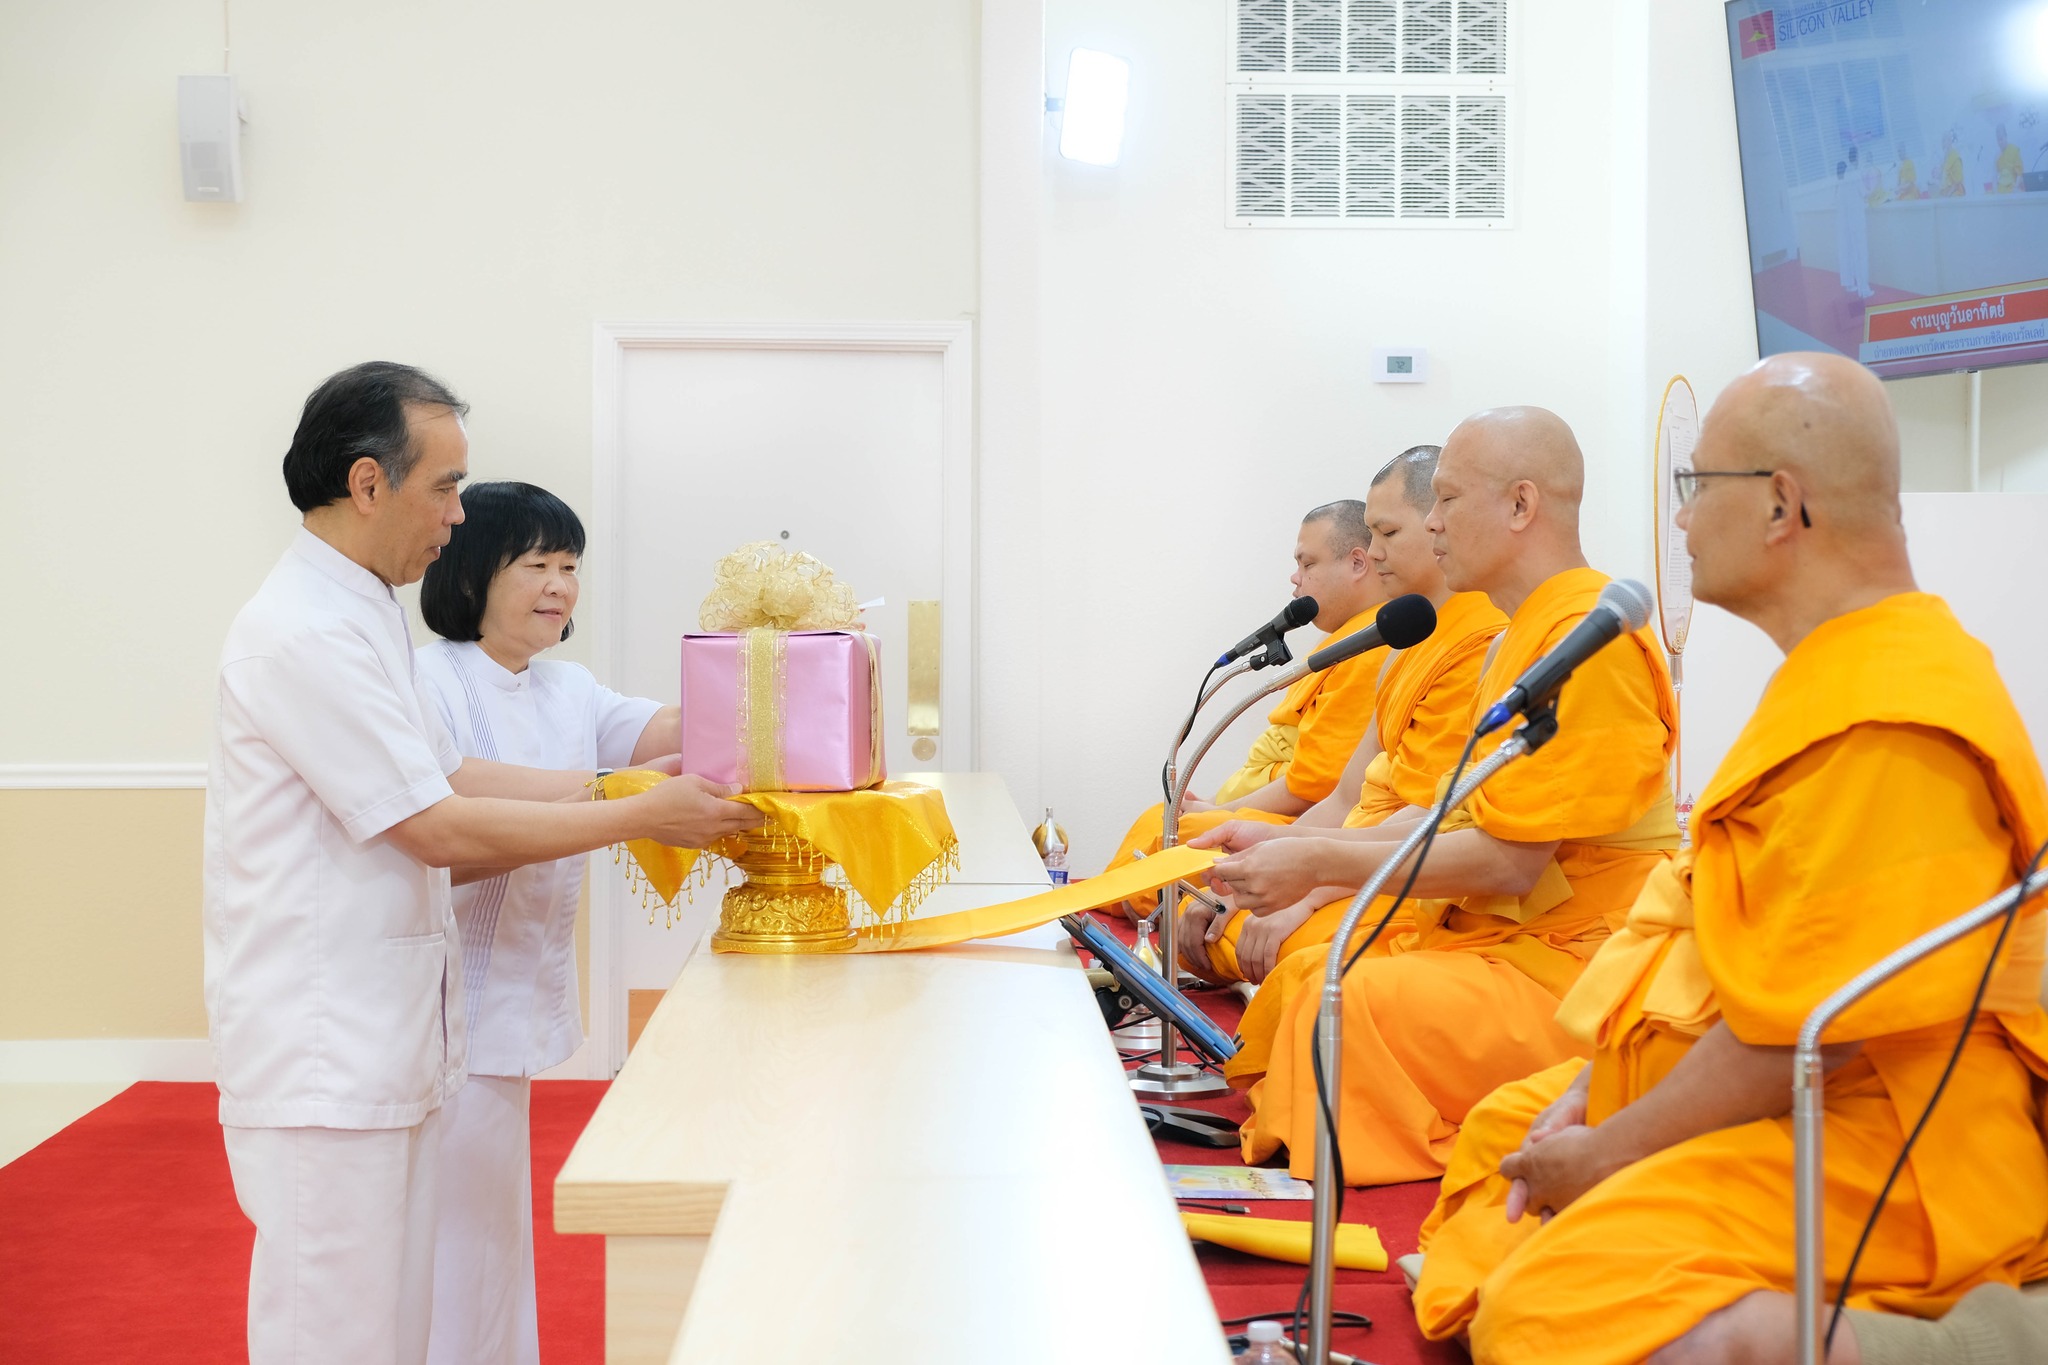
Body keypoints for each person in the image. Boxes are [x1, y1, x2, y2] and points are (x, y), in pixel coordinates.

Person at [1408, 354, 2048, 1363]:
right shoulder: (1827, 680)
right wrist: (1598, 1084)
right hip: (1785, 1093)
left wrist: (1612, 1150)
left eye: (1692, 487)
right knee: (1504, 1136)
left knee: (1548, 1305)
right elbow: (1715, 949)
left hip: (1888, 1143)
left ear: (1779, 507)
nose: (1676, 521)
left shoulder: (1895, 716)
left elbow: (1809, 1032)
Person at [204, 362, 761, 1365]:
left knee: (408, 1319)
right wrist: (633, 813)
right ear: (369, 484)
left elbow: (459, 785)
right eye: (446, 488)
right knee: (336, 1331)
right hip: (328, 1043)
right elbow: (438, 826)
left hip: (400, 1023)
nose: (459, 516)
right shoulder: (300, 632)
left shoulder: (361, 611)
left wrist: (641, 776)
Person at [1195, 408, 1677, 1185]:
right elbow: (1447, 815)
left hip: (1576, 965)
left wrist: (1318, 858)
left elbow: (1514, 863)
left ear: (1521, 506)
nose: (1433, 524)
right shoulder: (1518, 637)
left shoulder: (1587, 644)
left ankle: (1463, 1167)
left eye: (1446, 501)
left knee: (1347, 1008)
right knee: (1321, 987)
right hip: (1500, 941)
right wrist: (1296, 851)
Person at [411, 481, 677, 1365]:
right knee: (455, 1241)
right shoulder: (425, 678)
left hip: (518, 998)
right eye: (537, 564)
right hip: (441, 1002)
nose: (560, 584)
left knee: (490, 1234)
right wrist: (621, 802)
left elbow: (660, 735)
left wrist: (764, 671)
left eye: (570, 566)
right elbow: (446, 817)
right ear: (472, 572)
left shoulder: (568, 687)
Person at [1180, 445, 1507, 987]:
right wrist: (1278, 868)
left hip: (1407, 875)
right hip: (1356, 849)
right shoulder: (1406, 644)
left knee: (1294, 968)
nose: (1373, 553)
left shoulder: (1483, 640)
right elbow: (1344, 798)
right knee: (1208, 896)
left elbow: (1436, 815)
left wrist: (1310, 882)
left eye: (1388, 534)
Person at [1092, 499, 1390, 912]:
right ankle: (1119, 909)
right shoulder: (1348, 639)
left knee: (1177, 832)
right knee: (1167, 822)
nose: (1295, 577)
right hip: (1284, 818)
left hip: (1318, 827)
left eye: (1307, 564)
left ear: (1358, 562)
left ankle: (1117, 912)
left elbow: (1314, 785)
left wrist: (1221, 811)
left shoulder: (1371, 648)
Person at [1834, 159, 1874, 299]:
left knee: (1848, 255)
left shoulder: (1840, 186)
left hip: (1845, 228)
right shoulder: (1853, 179)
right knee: (1860, 255)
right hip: (1856, 224)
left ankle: (1850, 285)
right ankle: (1864, 290)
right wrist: (1872, 189)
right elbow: (1865, 194)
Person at [1995, 123, 2023, 193]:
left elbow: (2019, 174)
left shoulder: (2014, 150)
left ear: (2006, 136)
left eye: (2001, 139)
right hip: (2000, 191)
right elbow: (1996, 175)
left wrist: (2015, 188)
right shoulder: (1997, 155)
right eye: (1998, 140)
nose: (2000, 142)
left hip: (2013, 189)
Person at [1939, 130, 1965, 197]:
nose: (1943, 143)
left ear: (1950, 141)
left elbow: (1958, 181)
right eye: (1943, 140)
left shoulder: (1955, 157)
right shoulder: (1945, 157)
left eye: (1946, 140)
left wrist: (1948, 195)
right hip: (1946, 194)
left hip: (1955, 195)